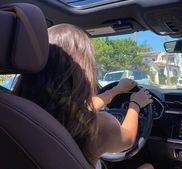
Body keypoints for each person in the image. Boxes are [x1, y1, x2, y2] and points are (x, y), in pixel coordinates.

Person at [13, 24, 154, 169]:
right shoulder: (99, 126)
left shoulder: (18, 111)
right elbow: (128, 139)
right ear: (82, 70)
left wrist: (116, 90)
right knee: (148, 167)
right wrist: (135, 105)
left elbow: (84, 108)